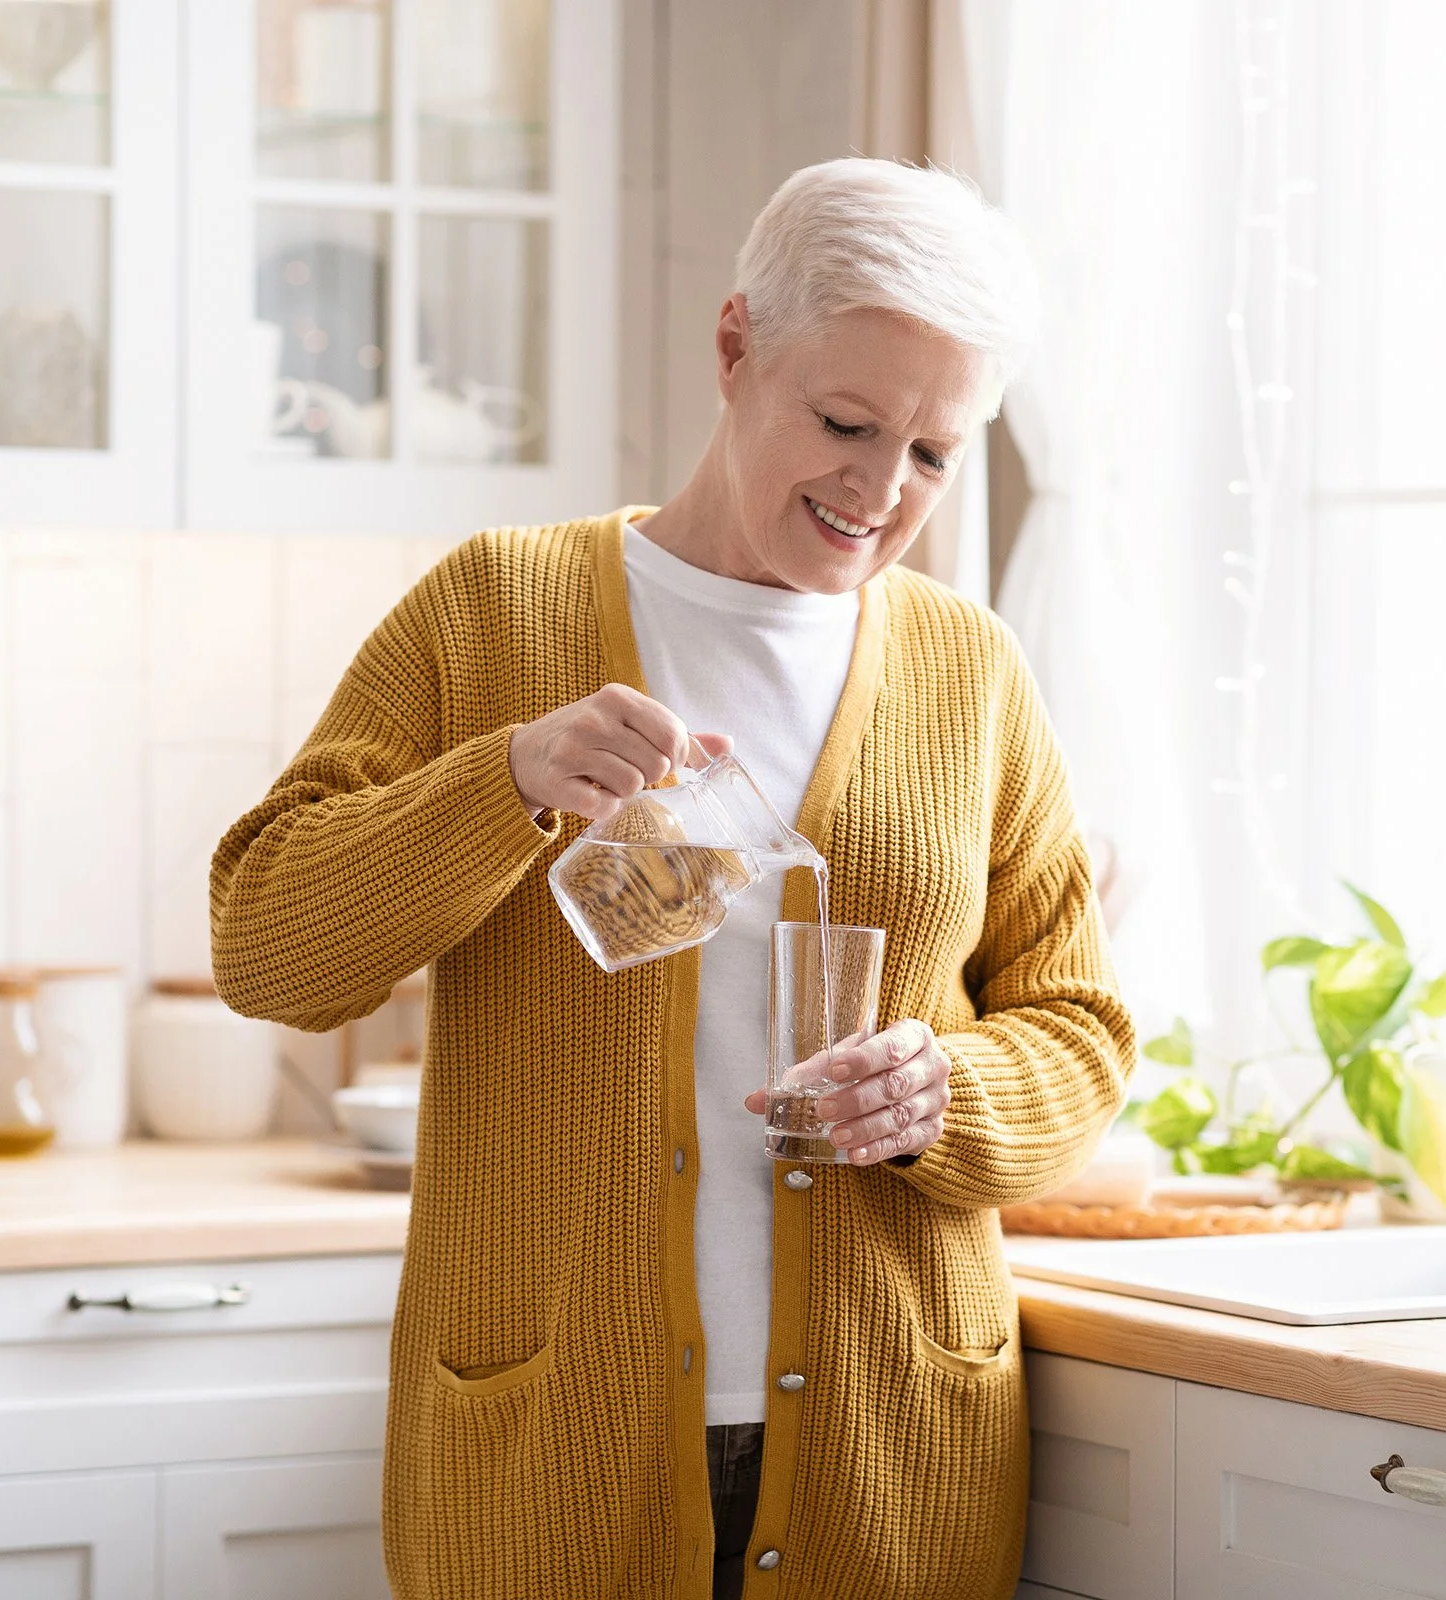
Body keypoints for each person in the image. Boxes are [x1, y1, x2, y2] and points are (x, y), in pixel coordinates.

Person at [211, 157, 1133, 1600]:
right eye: (844, 421)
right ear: (734, 346)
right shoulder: (496, 610)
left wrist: (951, 1095)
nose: (881, 491)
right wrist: (502, 783)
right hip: (549, 1434)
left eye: (935, 454)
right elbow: (268, 946)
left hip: (891, 1443)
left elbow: (1075, 1027)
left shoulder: (972, 675)